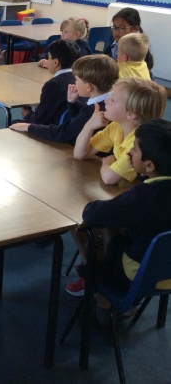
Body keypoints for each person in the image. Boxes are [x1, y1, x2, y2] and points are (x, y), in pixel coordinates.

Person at [71, 119, 171, 320]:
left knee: (87, 228)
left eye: (134, 149)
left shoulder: (144, 197)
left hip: (138, 274)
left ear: (149, 165)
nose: (129, 153)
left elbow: (91, 214)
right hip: (166, 270)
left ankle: (102, 304)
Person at [74, 77, 167, 185]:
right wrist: (89, 126)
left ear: (130, 114)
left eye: (112, 100)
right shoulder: (116, 127)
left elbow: (109, 178)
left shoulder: (138, 143)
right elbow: (80, 154)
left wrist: (107, 162)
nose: (106, 101)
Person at [11, 54, 119, 144]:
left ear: (88, 87)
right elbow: (81, 119)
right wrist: (73, 103)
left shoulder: (94, 110)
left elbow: (62, 133)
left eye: (76, 79)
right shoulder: (109, 102)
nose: (74, 82)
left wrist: (29, 127)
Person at [19, 39, 80, 126]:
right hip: (76, 127)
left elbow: (39, 121)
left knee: (15, 123)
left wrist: (28, 114)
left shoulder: (53, 85)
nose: (47, 60)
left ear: (55, 63)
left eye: (49, 57)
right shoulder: (82, 79)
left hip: (55, 129)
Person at [105, 7, 154, 72]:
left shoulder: (138, 48)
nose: (116, 32)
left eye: (122, 28)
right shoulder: (114, 42)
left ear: (135, 28)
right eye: (115, 27)